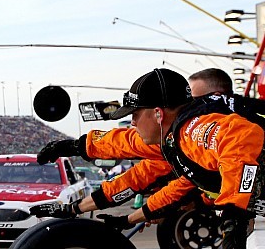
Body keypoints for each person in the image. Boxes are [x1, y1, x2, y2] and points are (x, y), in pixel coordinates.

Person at [35, 67, 263, 249]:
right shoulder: (173, 140)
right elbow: (146, 173)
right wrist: (77, 149)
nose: (132, 122)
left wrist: (233, 216)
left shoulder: (191, 130)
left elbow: (240, 138)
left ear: (158, 114)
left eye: (135, 114)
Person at [33, 68, 233, 219]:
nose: (133, 122)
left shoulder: (205, 132)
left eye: (194, 101)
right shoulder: (174, 144)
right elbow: (135, 177)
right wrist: (75, 208)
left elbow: (129, 145)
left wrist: (235, 216)